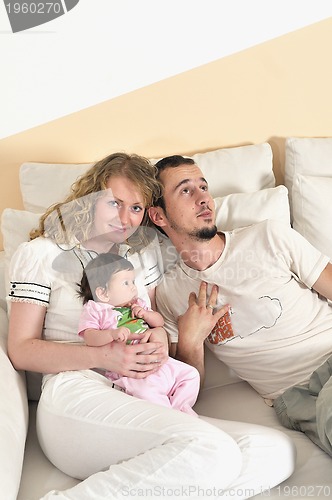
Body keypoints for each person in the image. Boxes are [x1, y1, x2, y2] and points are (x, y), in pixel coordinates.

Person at [7, 152, 295, 500]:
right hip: (75, 396)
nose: (125, 218)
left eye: (137, 208)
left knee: (274, 450)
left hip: (144, 394)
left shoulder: (142, 255)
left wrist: (162, 338)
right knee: (212, 450)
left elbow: (154, 325)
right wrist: (103, 355)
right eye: (114, 203)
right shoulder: (40, 253)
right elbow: (21, 349)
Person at [149, 154, 332, 458]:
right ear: (159, 216)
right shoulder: (170, 295)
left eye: (203, 186)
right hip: (296, 399)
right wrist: (192, 341)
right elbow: (184, 395)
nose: (203, 197)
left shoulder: (268, 237)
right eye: (185, 190)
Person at [78, 252, 200, 415]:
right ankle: (171, 417)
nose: (134, 287)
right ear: (103, 293)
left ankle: (180, 409)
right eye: (126, 283)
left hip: (161, 362)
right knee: (148, 394)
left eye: (133, 281)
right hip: (135, 373)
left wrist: (146, 314)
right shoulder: (96, 309)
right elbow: (90, 337)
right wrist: (111, 334)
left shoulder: (138, 304)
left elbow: (159, 323)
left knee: (191, 375)